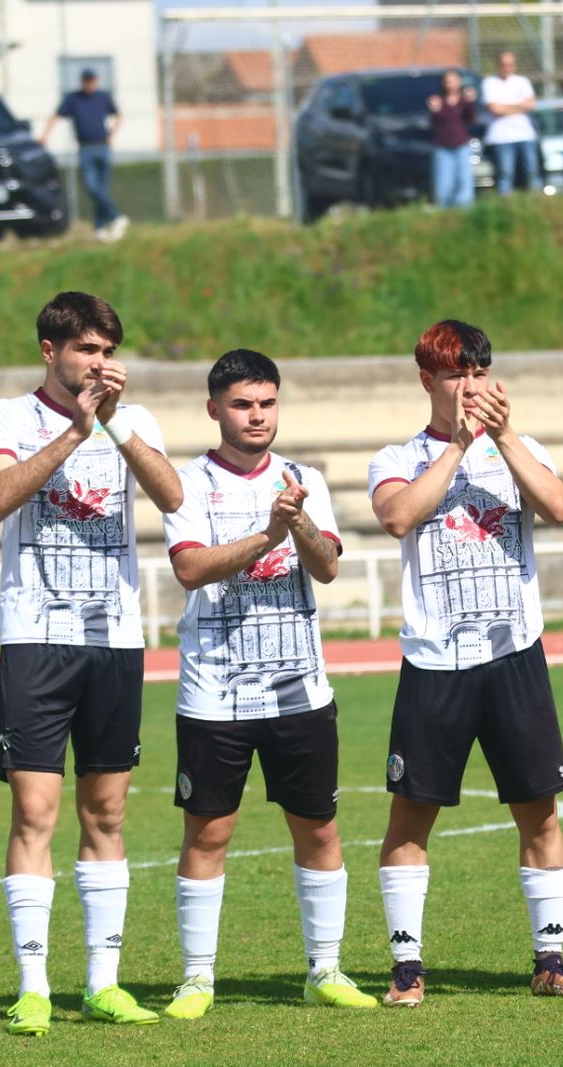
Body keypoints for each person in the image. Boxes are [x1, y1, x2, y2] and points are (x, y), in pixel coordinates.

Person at [371, 320, 563, 1005]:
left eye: (478, 372)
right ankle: (407, 968)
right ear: (427, 380)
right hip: (434, 660)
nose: (469, 385)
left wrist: (501, 437)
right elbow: (397, 516)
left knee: (540, 813)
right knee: (412, 816)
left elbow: (558, 506)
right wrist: (460, 446)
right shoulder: (398, 455)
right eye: (454, 374)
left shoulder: (518, 447)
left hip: (513, 655)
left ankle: (550, 960)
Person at [0, 292, 182, 1036]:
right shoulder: (6, 417)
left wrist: (115, 424)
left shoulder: (135, 418)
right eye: (87, 349)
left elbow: (173, 495)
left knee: (108, 813)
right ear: (50, 351)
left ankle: (102, 983)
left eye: (107, 351)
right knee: (34, 811)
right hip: (36, 638)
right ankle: (33, 988)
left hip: (114, 640)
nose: (100, 363)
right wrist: (76, 431)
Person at [159, 349, 377, 1019]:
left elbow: (328, 567)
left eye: (266, 403)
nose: (256, 415)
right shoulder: (186, 483)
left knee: (320, 831)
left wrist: (299, 521)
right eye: (242, 404)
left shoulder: (303, 478)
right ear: (214, 409)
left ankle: (324, 968)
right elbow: (191, 569)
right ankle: (197, 979)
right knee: (208, 834)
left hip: (299, 690)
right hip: (214, 692)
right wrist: (267, 533)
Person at [39, 70, 127, 241]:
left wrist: (112, 135)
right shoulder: (74, 98)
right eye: (86, 81)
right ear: (82, 82)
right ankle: (116, 217)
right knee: (92, 187)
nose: (89, 84)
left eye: (92, 80)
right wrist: (45, 136)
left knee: (102, 190)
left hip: (103, 147)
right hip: (85, 149)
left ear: (96, 81)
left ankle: (100, 228)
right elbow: (56, 116)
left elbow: (118, 116)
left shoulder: (103, 97)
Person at [481, 51, 540, 194]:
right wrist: (519, 106)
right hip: (501, 137)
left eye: (510, 64)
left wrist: (505, 107)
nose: (507, 68)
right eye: (503, 64)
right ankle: (506, 203)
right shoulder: (489, 83)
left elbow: (531, 105)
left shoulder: (522, 81)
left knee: (532, 172)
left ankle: (536, 202)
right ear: (498, 65)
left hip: (524, 135)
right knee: (505, 174)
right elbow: (495, 109)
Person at [427, 70, 478, 209]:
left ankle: (464, 210)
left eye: (453, 80)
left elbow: (472, 120)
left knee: (464, 181)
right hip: (443, 146)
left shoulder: (464, 101)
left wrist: (471, 102)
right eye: (448, 81)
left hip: (461, 145)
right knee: (444, 183)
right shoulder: (438, 101)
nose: (450, 84)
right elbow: (433, 124)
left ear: (459, 82)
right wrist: (434, 111)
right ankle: (444, 211)